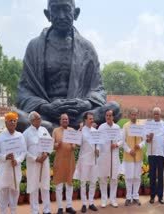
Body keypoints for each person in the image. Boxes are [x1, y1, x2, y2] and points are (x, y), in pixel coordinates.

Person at [15, 0, 120, 132]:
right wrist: (45, 107)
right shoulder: (34, 47)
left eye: (66, 9)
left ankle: (50, 130)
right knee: (16, 117)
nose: (61, 15)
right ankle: (67, 130)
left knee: (114, 108)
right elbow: (24, 91)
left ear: (75, 13)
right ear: (48, 15)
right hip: (47, 112)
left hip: (78, 113)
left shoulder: (87, 48)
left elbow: (98, 89)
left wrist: (86, 103)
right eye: (56, 10)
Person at [0, 112, 26, 214]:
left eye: (15, 120)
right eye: (10, 120)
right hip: (4, 171)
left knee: (15, 192)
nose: (13, 123)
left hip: (15, 169)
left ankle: (13, 212)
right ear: (6, 122)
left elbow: (23, 152)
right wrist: (5, 157)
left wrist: (18, 160)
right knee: (3, 193)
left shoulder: (20, 136)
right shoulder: (0, 137)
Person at [23, 111, 51, 214]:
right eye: (38, 119)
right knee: (33, 187)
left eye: (40, 118)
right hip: (33, 164)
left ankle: (46, 210)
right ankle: (35, 211)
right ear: (32, 121)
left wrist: (46, 154)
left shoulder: (44, 130)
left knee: (45, 185)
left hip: (44, 162)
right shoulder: (26, 133)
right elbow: (23, 151)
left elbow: (50, 143)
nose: (40, 120)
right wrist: (35, 158)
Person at [74, 112, 99, 213]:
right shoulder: (81, 131)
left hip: (93, 159)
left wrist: (98, 149)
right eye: (90, 119)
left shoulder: (95, 131)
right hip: (84, 159)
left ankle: (91, 202)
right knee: (83, 182)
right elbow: (77, 143)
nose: (92, 120)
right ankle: (84, 203)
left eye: (92, 118)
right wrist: (79, 130)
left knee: (93, 182)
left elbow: (98, 144)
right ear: (85, 120)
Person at [52, 113, 77, 214]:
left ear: (68, 121)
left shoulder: (72, 131)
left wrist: (73, 146)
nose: (65, 121)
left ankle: (69, 206)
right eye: (63, 119)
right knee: (59, 185)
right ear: (60, 121)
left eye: (66, 119)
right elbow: (52, 145)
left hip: (70, 160)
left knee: (69, 184)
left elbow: (75, 145)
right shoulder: (56, 131)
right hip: (59, 160)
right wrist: (57, 144)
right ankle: (60, 207)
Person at [97, 109, 122, 208]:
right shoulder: (101, 127)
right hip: (104, 156)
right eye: (106, 115)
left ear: (113, 117)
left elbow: (121, 140)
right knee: (103, 178)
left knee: (114, 178)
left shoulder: (117, 127)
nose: (108, 117)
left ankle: (113, 199)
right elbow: (97, 140)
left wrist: (116, 144)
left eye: (110, 115)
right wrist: (98, 149)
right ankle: (103, 199)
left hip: (114, 156)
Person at [145, 107, 164, 204]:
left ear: (160, 114)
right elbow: (146, 140)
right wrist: (149, 138)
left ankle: (160, 196)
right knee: (152, 175)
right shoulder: (149, 124)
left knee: (160, 175)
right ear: (153, 114)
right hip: (152, 153)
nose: (156, 115)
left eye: (157, 114)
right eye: (154, 114)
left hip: (161, 154)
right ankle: (152, 196)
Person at [121, 108, 145, 206]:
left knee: (137, 177)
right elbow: (123, 141)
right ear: (129, 115)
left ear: (137, 115)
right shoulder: (125, 126)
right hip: (129, 156)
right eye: (132, 114)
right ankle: (128, 197)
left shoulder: (141, 126)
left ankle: (135, 196)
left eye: (135, 114)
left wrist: (139, 145)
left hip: (138, 155)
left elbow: (144, 140)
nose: (134, 116)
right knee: (129, 177)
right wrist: (129, 150)